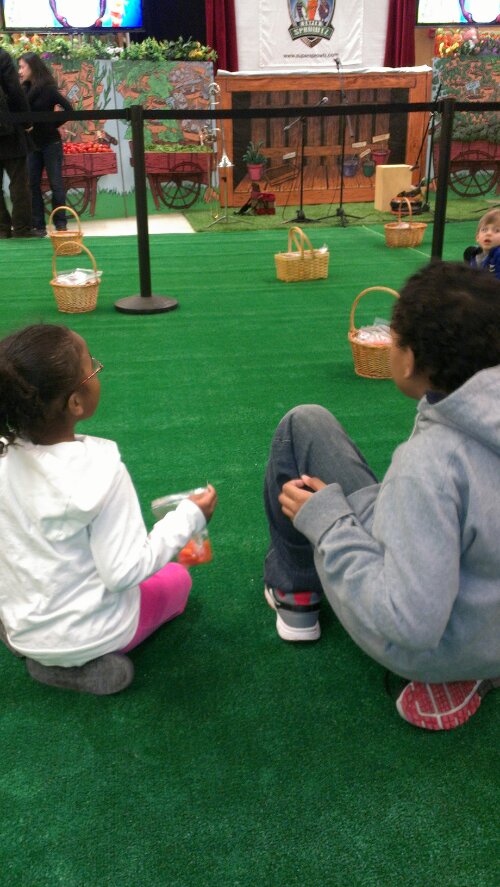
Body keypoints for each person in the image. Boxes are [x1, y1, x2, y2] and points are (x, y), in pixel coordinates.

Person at [263, 262, 500, 731]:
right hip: (484, 610)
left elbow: (409, 623)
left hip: (433, 644)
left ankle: (296, 590)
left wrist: (328, 524)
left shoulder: (431, 466)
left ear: (408, 361)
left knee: (302, 425)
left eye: (393, 339)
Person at [0, 324, 218, 695]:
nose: (97, 371)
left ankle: (35, 647)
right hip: (94, 631)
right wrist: (189, 517)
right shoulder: (101, 472)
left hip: (22, 625)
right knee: (179, 581)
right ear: (75, 403)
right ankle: (78, 664)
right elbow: (124, 572)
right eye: (93, 368)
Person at [19, 53, 73, 236]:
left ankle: (61, 224)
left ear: (32, 67)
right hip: (33, 145)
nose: (20, 71)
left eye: (22, 67)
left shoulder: (48, 90)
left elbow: (69, 110)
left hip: (51, 143)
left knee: (56, 184)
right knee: (32, 184)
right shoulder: (24, 91)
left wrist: (52, 124)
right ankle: (38, 225)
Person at [0, 48, 33, 238]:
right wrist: (26, 121)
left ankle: (2, 229)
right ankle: (22, 228)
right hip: (8, 130)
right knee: (19, 182)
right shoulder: (2, 56)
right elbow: (14, 90)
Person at [463, 208, 500, 280]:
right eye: (484, 230)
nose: (488, 233)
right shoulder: (475, 254)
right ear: (477, 237)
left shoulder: (498, 255)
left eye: (497, 230)